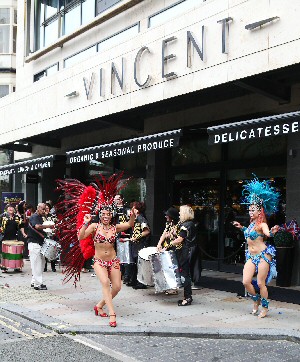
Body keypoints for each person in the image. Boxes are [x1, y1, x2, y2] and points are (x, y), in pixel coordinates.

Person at [78, 205, 135, 328]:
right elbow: (81, 237)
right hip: (99, 261)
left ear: (111, 215)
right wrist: (85, 223)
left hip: (113, 261)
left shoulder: (115, 228)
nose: (105, 216)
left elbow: (130, 224)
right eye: (103, 214)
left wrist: (133, 215)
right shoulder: (95, 227)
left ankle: (99, 306)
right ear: (100, 215)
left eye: (108, 214)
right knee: (105, 282)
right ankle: (112, 314)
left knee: (117, 287)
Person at [233, 176, 280, 318]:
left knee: (260, 283)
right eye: (249, 209)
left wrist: (272, 232)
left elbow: (267, 234)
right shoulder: (252, 225)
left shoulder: (262, 224)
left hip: (263, 255)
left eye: (253, 210)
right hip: (251, 256)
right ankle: (256, 300)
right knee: (246, 281)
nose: (250, 212)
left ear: (260, 212)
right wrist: (241, 228)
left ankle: (264, 308)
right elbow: (249, 233)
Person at [165, 205, 196, 306]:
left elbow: (180, 239)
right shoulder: (188, 224)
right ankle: (187, 296)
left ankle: (187, 298)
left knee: (185, 275)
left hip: (185, 252)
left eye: (181, 212)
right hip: (186, 251)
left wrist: (168, 245)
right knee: (185, 274)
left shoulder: (186, 225)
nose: (179, 213)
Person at [27, 203, 54, 290]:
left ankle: (34, 282)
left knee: (41, 264)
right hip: (34, 243)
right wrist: (49, 226)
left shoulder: (40, 217)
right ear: (38, 208)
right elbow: (37, 226)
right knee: (37, 265)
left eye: (45, 209)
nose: (44, 211)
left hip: (39, 243)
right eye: (42, 209)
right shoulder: (34, 217)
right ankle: (38, 284)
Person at [157, 206, 180, 294]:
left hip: (174, 248)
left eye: (167, 215)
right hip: (166, 247)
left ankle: (174, 288)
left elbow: (177, 238)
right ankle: (168, 286)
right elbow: (164, 233)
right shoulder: (168, 224)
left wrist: (169, 236)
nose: (166, 216)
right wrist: (159, 244)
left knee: (172, 267)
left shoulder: (178, 225)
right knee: (166, 267)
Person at [130, 201, 151, 289]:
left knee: (140, 263)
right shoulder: (137, 218)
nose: (132, 209)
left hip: (140, 244)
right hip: (136, 244)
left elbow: (147, 231)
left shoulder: (141, 218)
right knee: (136, 263)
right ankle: (136, 281)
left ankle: (142, 283)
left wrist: (136, 237)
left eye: (134, 208)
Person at [114, 194, 133, 285]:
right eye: (115, 199)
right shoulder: (113, 210)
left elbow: (131, 222)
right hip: (115, 236)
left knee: (126, 257)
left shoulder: (126, 210)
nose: (116, 201)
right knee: (118, 257)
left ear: (121, 200)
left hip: (126, 236)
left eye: (117, 199)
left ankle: (126, 276)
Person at [0, 205, 23, 272]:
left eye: (12, 207)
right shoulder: (2, 216)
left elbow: (21, 225)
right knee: (5, 252)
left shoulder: (17, 217)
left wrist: (24, 233)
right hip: (4, 236)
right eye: (9, 207)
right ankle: (4, 267)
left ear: (14, 209)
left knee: (16, 251)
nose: (11, 208)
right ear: (6, 209)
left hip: (14, 236)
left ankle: (17, 267)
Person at [43, 202, 57, 272]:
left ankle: (53, 267)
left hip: (51, 234)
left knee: (52, 250)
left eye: (47, 208)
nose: (46, 210)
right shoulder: (41, 217)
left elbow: (56, 224)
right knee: (44, 250)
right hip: (43, 234)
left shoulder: (53, 216)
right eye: (45, 208)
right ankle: (44, 267)